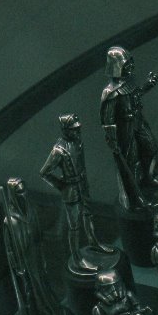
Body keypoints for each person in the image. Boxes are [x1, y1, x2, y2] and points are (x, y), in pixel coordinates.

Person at [40, 113, 112, 270]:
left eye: (78, 129)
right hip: (71, 190)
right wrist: (61, 185)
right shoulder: (58, 150)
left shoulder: (78, 142)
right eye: (74, 129)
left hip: (83, 186)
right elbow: (44, 172)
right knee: (74, 226)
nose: (77, 131)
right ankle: (77, 258)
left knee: (88, 215)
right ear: (65, 130)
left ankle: (93, 242)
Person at [100, 46, 158, 210]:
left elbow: (135, 96)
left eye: (130, 62)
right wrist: (112, 139)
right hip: (125, 131)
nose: (130, 66)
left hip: (138, 122)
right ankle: (135, 197)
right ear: (116, 66)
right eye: (125, 64)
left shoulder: (129, 82)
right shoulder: (110, 92)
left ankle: (148, 179)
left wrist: (146, 86)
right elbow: (107, 119)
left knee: (152, 149)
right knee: (131, 161)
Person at [0, 177, 63, 315]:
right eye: (19, 193)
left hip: (35, 255)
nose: (23, 195)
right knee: (31, 290)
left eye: (24, 191)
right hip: (24, 262)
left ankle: (49, 311)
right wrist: (17, 265)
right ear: (13, 195)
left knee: (42, 283)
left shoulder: (31, 211)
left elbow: (38, 233)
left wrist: (41, 251)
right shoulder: (10, 221)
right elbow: (9, 248)